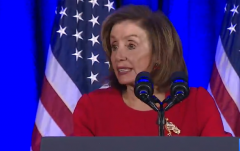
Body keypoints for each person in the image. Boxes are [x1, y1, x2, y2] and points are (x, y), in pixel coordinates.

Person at [73, 5, 232, 137]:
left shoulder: (197, 104)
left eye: (131, 46)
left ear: (159, 54)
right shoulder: (92, 107)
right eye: (114, 46)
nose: (118, 56)